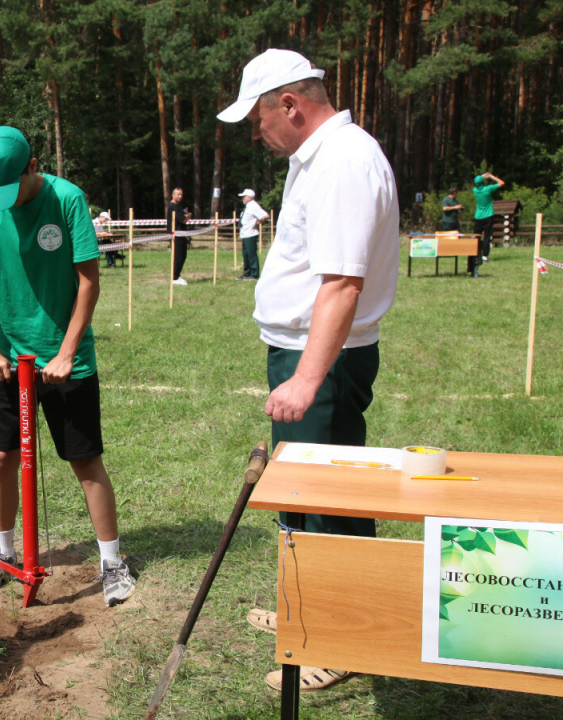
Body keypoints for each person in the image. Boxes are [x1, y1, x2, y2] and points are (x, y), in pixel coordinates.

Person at [217, 48, 399, 692]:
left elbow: (343, 284)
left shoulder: (344, 162)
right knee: (303, 498)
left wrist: (306, 378)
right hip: (306, 354)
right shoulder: (317, 159)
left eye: (258, 119)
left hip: (322, 360)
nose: (256, 133)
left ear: (289, 104)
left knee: (327, 502)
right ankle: (308, 607)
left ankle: (340, 635)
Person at [0, 126, 136, 608]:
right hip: (7, 359)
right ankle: (2, 551)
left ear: (32, 166)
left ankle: (112, 562)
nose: (2, 201)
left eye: (9, 188)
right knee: (2, 457)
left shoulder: (67, 200)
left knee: (84, 459)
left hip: (65, 357)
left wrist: (67, 351)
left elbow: (88, 282)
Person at [471, 172, 505, 275]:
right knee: (487, 236)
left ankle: (474, 253)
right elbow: (502, 183)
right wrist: (491, 176)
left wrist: (481, 177)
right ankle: (484, 256)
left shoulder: (475, 190)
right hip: (488, 215)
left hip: (478, 216)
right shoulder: (488, 189)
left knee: (477, 236)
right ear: (483, 182)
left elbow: (478, 181)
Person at [237, 189, 269, 281]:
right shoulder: (248, 206)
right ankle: (247, 272)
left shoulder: (253, 206)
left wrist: (258, 223)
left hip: (251, 234)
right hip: (245, 234)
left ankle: (254, 274)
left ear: (250, 197)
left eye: (244, 196)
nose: (243, 198)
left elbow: (265, 216)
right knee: (246, 254)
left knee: (251, 255)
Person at [166, 187, 191, 285]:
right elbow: (183, 219)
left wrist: (187, 216)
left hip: (182, 234)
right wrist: (188, 216)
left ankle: (177, 275)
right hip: (176, 235)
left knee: (183, 255)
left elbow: (185, 217)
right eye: (178, 194)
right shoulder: (173, 206)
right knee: (178, 256)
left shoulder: (179, 206)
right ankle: (175, 277)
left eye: (181, 194)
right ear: (173, 195)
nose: (180, 196)